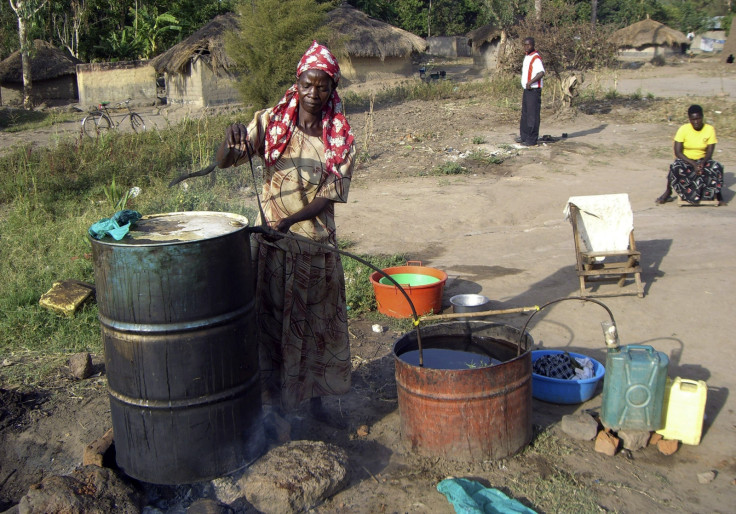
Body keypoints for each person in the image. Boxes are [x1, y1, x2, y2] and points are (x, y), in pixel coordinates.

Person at [216, 41, 356, 441]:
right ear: (297, 83)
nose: (314, 93)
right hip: (274, 249)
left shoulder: (340, 136)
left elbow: (330, 194)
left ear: (332, 88)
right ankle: (274, 407)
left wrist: (289, 221)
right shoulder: (272, 122)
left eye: (323, 86)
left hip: (315, 248)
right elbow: (226, 160)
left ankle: (315, 404)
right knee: (272, 323)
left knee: (317, 326)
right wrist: (230, 140)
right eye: (308, 84)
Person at [656, 104, 724, 205]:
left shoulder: (709, 129)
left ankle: (718, 194)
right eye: (693, 119)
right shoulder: (683, 129)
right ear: (689, 119)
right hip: (687, 160)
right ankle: (668, 191)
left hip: (703, 159)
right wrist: (693, 164)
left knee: (716, 167)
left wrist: (702, 163)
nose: (696, 122)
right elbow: (678, 152)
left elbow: (710, 152)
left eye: (698, 118)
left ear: (702, 117)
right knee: (675, 167)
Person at [516, 37, 545, 147]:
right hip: (527, 90)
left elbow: (541, 73)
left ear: (533, 45)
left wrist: (530, 82)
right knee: (525, 114)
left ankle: (532, 139)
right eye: (525, 45)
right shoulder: (527, 57)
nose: (527, 47)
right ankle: (524, 136)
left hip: (533, 90)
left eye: (529, 45)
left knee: (533, 115)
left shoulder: (536, 58)